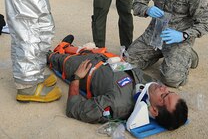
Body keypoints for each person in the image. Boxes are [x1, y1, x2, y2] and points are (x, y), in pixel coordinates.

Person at [48, 35, 188, 130]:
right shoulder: (149, 86)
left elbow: (74, 109)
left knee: (54, 57)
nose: (164, 88)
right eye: (169, 91)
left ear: (154, 110)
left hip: (85, 69)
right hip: (103, 58)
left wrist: (76, 78)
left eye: (164, 96)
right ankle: (66, 46)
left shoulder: (118, 105)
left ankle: (57, 51)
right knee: (85, 50)